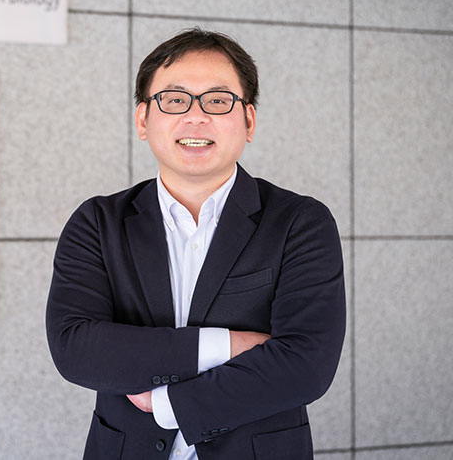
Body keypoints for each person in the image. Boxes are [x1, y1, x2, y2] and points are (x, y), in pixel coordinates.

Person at [46, 28, 345, 460]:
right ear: (143, 120)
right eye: (174, 100)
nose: (196, 116)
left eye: (218, 101)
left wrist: (168, 404)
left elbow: (306, 365)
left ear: (249, 121)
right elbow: (76, 348)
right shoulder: (98, 222)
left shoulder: (300, 222)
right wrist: (230, 345)